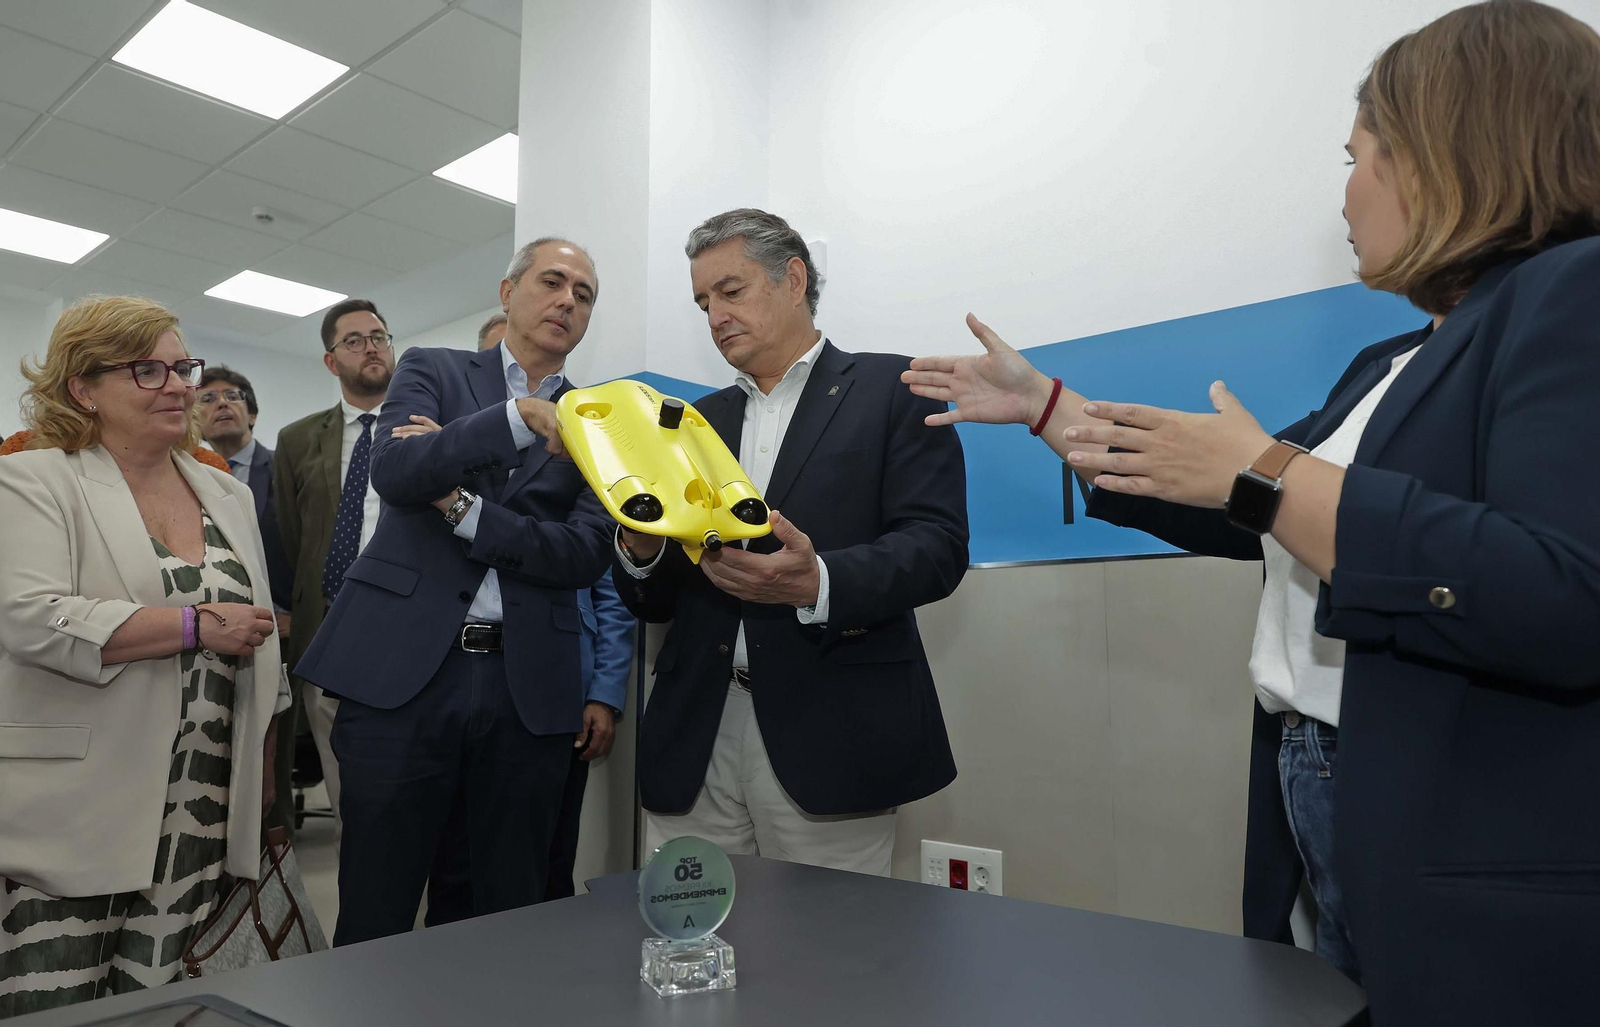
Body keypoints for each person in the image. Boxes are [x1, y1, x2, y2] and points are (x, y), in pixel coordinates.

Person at [904, 3, 1600, 1022]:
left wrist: (1271, 470)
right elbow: (1240, 500)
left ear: (1449, 156)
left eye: (1359, 155)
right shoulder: (1393, 359)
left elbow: (1563, 592)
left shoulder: (1572, 293)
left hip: (1453, 835)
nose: (1348, 192)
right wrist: (1050, 410)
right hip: (1317, 782)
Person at [615, 209, 968, 876]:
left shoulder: (894, 391)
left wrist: (820, 581)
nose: (715, 315)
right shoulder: (691, 426)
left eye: (731, 290)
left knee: (832, 959)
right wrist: (640, 549)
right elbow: (657, 601)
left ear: (794, 279)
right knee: (693, 949)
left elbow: (938, 546)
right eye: (702, 301)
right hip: (698, 730)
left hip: (834, 727)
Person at [296, 239, 613, 945]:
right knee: (378, 903)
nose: (567, 300)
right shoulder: (433, 368)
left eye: (584, 294)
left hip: (526, 685)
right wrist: (511, 420)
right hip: (402, 678)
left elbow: (583, 552)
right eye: (553, 281)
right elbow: (400, 468)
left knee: (499, 916)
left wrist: (461, 506)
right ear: (508, 292)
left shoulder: (602, 420)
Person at [0, 296, 288, 1017]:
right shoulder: (35, 481)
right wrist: (193, 626)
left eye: (181, 366)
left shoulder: (227, 492)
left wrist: (263, 783)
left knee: (169, 1005)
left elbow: (260, 644)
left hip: (202, 813)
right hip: (74, 817)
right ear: (83, 387)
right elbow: (32, 619)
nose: (180, 385)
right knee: (58, 1004)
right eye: (148, 370)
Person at [269, 300, 396, 835]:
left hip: (406, 623)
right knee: (351, 796)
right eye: (354, 340)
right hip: (331, 630)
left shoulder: (424, 426)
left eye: (380, 336)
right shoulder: (297, 440)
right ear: (330, 361)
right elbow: (292, 541)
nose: (371, 346)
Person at [195, 366, 291, 615]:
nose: (222, 403)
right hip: (216, 619)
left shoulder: (287, 467)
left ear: (252, 415)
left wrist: (298, 618)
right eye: (208, 398)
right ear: (195, 422)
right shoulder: (190, 477)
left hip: (282, 620)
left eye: (232, 396)